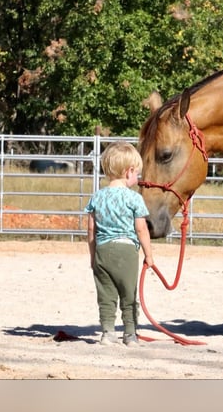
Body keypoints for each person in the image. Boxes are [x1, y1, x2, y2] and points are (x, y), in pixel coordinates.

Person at [86, 141, 154, 347]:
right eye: (137, 174)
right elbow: (141, 229)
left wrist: (93, 255)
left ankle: (107, 333)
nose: (138, 178)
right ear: (129, 172)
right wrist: (149, 255)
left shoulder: (97, 197)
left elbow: (91, 230)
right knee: (129, 293)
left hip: (103, 251)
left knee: (106, 295)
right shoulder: (134, 199)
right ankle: (130, 334)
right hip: (126, 251)